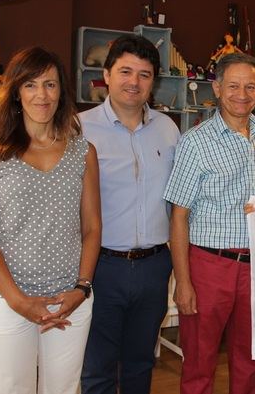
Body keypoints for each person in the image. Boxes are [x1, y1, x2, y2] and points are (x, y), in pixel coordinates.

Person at [0, 47, 101, 394]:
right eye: (31, 85)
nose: (42, 94)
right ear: (15, 92)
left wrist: (81, 289)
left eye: (51, 84)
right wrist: (18, 300)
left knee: (64, 389)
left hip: (68, 300)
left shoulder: (83, 152)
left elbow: (91, 227)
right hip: (8, 300)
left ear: (61, 92)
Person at [164, 52, 255, 394]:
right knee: (199, 363)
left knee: (248, 361)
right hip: (209, 265)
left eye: (250, 86)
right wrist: (183, 283)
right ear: (217, 88)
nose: (242, 94)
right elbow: (178, 215)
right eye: (233, 86)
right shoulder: (195, 142)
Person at [79, 35, 180, 394]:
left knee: (140, 364)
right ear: (106, 74)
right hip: (100, 266)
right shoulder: (79, 129)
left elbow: (180, 200)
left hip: (155, 266)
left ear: (154, 81)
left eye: (144, 74)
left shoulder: (168, 130)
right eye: (125, 71)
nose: (134, 82)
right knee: (98, 368)